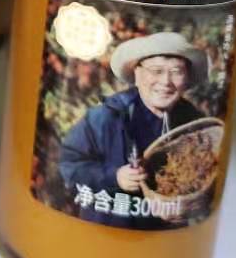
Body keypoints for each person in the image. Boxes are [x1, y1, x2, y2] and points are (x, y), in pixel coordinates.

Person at [57, 29, 208, 229]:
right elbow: (68, 164)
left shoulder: (195, 124)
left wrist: (185, 208)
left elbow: (207, 179)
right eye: (156, 71)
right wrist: (114, 177)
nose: (165, 81)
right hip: (106, 231)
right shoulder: (106, 117)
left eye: (176, 72)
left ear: (187, 79)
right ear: (137, 74)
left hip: (164, 239)